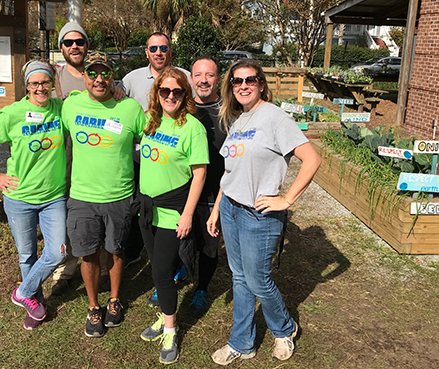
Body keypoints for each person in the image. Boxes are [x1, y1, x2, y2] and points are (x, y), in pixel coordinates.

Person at [207, 59, 321, 365]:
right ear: (230, 87)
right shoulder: (238, 119)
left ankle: (285, 329)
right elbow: (230, 172)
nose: (243, 85)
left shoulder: (274, 117)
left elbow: (311, 159)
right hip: (231, 208)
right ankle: (242, 343)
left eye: (251, 80)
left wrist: (286, 199)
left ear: (261, 84)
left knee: (258, 280)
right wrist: (217, 209)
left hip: (259, 216)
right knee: (240, 278)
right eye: (237, 81)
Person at [0, 60, 67, 330]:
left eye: (45, 82)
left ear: (51, 84)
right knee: (27, 255)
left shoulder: (60, 108)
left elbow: (86, 100)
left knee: (57, 252)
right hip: (20, 198)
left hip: (53, 197)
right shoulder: (13, 113)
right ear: (26, 86)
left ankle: (22, 292)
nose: (40, 88)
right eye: (35, 83)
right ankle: (35, 305)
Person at [61, 52, 146, 338]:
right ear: (84, 76)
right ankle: (94, 305)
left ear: (113, 77)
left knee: (116, 249)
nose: (99, 79)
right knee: (87, 253)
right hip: (82, 196)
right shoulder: (70, 105)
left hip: (119, 195)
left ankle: (114, 299)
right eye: (93, 73)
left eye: (105, 73)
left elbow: (152, 139)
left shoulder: (130, 108)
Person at [138, 67, 208, 364]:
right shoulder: (149, 121)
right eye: (164, 91)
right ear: (156, 93)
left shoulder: (192, 127)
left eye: (176, 92)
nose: (170, 96)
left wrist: (188, 214)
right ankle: (166, 314)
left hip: (171, 212)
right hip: (146, 209)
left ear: (184, 95)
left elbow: (200, 173)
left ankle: (170, 329)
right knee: (157, 267)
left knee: (162, 274)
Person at [51, 22, 124, 296]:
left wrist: (117, 90)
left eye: (79, 42)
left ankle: (104, 269)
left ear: (86, 45)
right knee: (73, 217)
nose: (74, 47)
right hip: (63, 157)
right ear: (61, 48)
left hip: (95, 160)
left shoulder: (100, 74)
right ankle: (66, 269)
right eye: (68, 42)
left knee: (100, 213)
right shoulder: (54, 77)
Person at [119, 32, 192, 307]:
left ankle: (171, 270)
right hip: (142, 159)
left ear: (169, 51)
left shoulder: (183, 76)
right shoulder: (132, 78)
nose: (159, 52)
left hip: (174, 160)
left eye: (163, 48)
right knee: (143, 211)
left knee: (173, 221)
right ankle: (139, 254)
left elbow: (192, 110)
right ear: (146, 52)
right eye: (153, 48)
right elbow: (118, 102)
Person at [187, 55, 225, 317]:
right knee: (180, 238)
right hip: (183, 191)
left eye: (209, 75)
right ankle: (179, 274)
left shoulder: (229, 112)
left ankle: (202, 287)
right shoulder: (182, 108)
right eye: (198, 75)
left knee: (209, 245)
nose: (203, 80)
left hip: (214, 192)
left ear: (218, 79)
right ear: (191, 79)